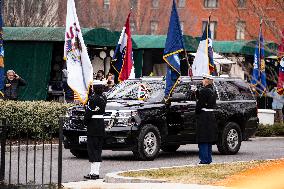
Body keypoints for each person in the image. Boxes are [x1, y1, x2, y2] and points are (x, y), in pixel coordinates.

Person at [83, 80, 107, 180]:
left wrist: (85, 122)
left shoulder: (92, 99)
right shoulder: (104, 98)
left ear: (94, 88)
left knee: (92, 149)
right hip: (101, 124)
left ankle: (93, 173)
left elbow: (89, 113)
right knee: (98, 149)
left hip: (93, 126)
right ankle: (95, 172)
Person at [195, 74, 217, 164]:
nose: (202, 81)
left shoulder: (204, 91)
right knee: (208, 139)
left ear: (207, 80)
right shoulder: (213, 90)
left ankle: (204, 160)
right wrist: (196, 92)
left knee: (203, 139)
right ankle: (208, 159)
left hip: (204, 116)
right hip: (211, 115)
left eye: (203, 79)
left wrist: (197, 111)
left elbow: (200, 104)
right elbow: (204, 99)